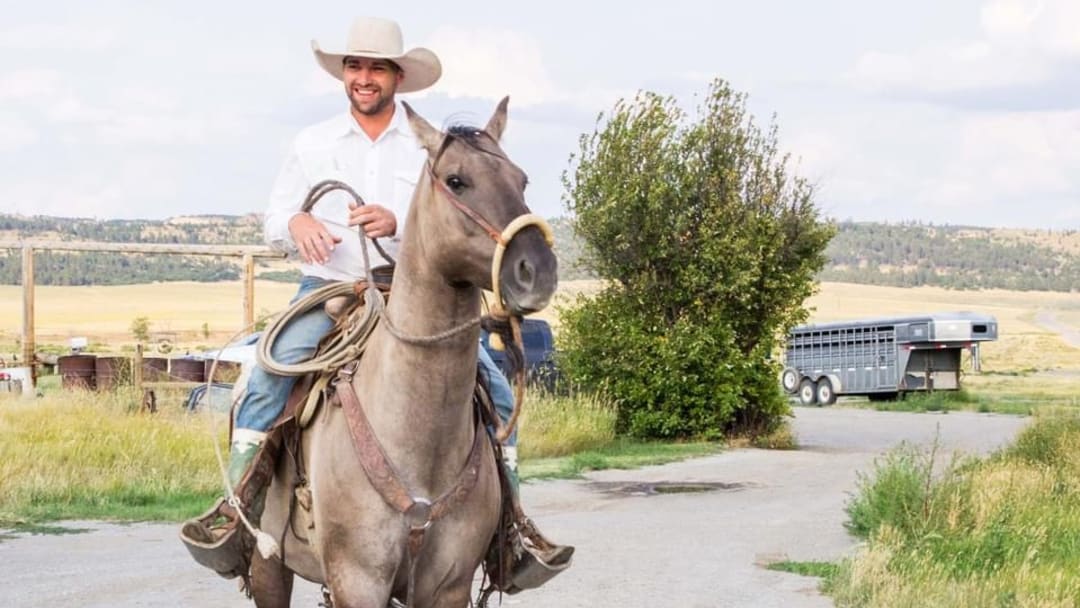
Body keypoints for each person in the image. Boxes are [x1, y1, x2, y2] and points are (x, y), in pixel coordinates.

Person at [229, 16, 519, 487]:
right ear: (344, 73)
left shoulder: (432, 148)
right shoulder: (312, 143)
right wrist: (298, 223)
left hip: (410, 294)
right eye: (355, 67)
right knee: (268, 376)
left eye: (377, 68)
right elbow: (274, 221)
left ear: (397, 76)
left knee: (498, 395)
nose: (364, 78)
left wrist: (397, 226)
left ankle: (511, 518)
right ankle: (238, 505)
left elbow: (454, 227)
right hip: (327, 290)